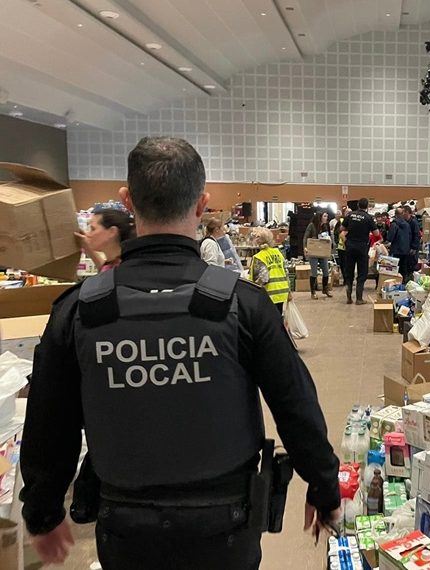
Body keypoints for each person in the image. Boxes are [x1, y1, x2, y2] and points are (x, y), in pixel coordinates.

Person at [20, 137, 341, 570]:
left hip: (127, 531)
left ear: (128, 201)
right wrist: (325, 491)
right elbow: (296, 406)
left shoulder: (80, 310)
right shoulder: (242, 305)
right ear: (201, 204)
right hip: (226, 529)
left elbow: (47, 421)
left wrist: (42, 513)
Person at [342, 197, 379, 305]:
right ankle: (359, 298)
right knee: (362, 273)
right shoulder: (368, 218)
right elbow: (376, 233)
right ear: (367, 206)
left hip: (350, 246)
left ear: (358, 205)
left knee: (349, 270)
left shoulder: (350, 215)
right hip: (362, 247)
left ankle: (348, 295)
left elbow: (342, 229)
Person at [248, 228, 290, 314]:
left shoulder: (259, 257)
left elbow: (263, 278)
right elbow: (286, 272)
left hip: (269, 294)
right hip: (282, 292)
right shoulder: (278, 253)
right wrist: (289, 291)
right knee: (278, 316)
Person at [303, 211, 333, 300]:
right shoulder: (312, 225)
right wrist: (305, 247)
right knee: (314, 272)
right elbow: (306, 237)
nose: (326, 218)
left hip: (322, 252)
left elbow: (328, 237)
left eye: (327, 216)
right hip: (313, 251)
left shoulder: (325, 226)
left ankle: (325, 289)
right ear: (320, 217)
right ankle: (313, 292)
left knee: (326, 271)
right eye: (325, 216)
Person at [386, 208, 410, 282]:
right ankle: (403, 282)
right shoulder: (407, 224)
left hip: (396, 250)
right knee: (404, 267)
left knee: (395, 268)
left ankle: (396, 282)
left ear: (395, 214)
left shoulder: (394, 224)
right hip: (405, 250)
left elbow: (390, 237)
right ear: (402, 214)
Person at [403, 205, 421, 281]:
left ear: (409, 213)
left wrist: (414, 247)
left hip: (412, 248)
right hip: (405, 247)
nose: (403, 214)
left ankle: (410, 280)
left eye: (405, 212)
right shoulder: (404, 222)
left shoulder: (413, 222)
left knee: (411, 265)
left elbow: (417, 235)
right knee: (405, 265)